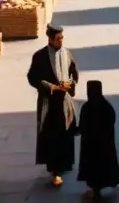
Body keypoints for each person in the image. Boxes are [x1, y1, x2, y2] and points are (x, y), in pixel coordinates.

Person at [26, 25, 79, 187]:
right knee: (53, 137)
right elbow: (33, 77)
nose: (61, 41)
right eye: (58, 39)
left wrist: (70, 84)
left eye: (62, 38)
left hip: (65, 102)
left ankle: (65, 165)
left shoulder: (67, 53)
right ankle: (55, 171)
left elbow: (74, 74)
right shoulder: (40, 56)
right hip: (50, 104)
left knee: (66, 135)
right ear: (50, 39)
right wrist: (51, 87)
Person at [77, 80, 119, 198]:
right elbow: (113, 119)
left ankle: (95, 190)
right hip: (105, 144)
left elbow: (82, 126)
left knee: (92, 168)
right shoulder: (106, 106)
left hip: (90, 145)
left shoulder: (87, 107)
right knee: (105, 164)